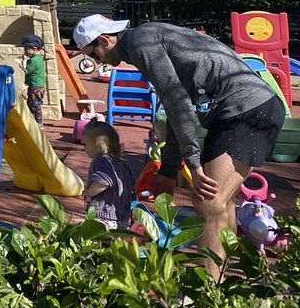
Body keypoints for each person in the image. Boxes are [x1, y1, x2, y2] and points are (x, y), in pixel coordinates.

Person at [74, 14, 285, 277]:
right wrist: (168, 169)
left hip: (249, 110)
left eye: (93, 54)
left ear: (104, 40)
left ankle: (207, 290)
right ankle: (221, 285)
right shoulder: (146, 38)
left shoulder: (142, 43)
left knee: (207, 200)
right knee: (222, 203)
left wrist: (193, 165)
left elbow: (178, 103)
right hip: (233, 113)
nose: (96, 62)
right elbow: (175, 107)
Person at [80, 119, 134, 229]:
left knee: (88, 239)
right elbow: (132, 183)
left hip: (104, 217)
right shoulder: (122, 165)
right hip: (122, 217)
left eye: (85, 144)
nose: (83, 147)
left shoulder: (101, 161)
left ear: (98, 145)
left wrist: (88, 193)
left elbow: (103, 181)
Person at [20, 34, 47, 126]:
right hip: (39, 85)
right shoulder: (39, 58)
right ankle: (32, 120)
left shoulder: (33, 61)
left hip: (35, 87)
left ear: (34, 49)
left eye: (26, 48)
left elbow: (27, 71)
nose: (24, 50)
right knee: (32, 103)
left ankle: (38, 123)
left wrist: (24, 61)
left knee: (35, 105)